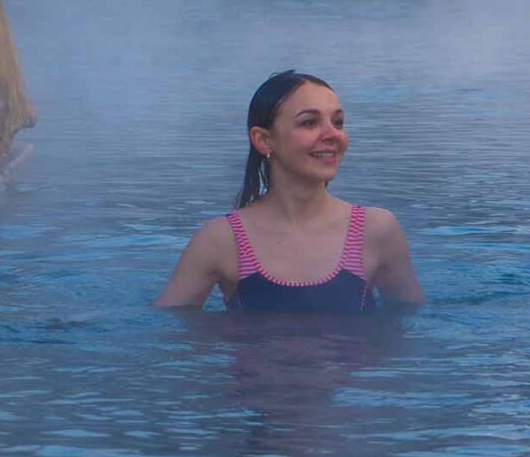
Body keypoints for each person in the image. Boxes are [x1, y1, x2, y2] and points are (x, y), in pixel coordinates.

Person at [154, 69, 424, 311]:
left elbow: (408, 331)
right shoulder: (221, 241)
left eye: (338, 122)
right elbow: (171, 336)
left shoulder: (375, 230)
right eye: (309, 123)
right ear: (264, 139)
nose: (333, 135)